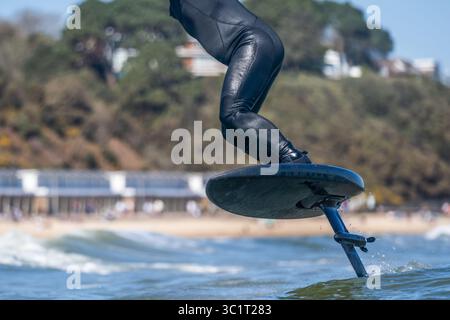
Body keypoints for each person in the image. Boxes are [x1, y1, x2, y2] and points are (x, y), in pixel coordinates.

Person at [169, 0, 311, 163]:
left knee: (233, 114)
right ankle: (278, 164)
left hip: (253, 43)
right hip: (263, 44)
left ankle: (291, 157)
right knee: (232, 130)